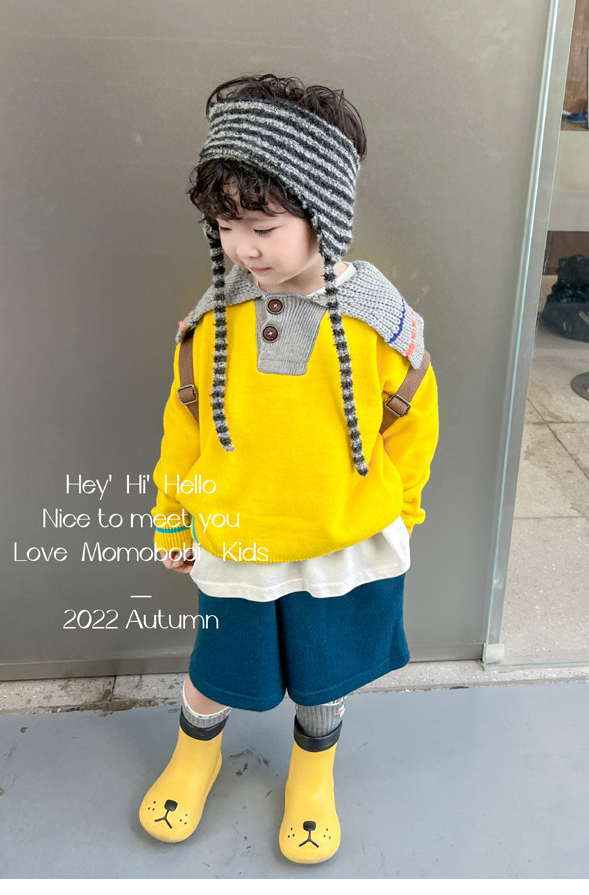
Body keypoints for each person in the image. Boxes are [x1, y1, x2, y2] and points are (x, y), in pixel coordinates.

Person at [138, 73, 439, 863]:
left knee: (323, 674)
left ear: (324, 212)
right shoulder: (214, 319)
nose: (243, 247)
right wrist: (172, 517)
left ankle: (313, 773)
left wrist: (402, 512)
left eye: (264, 225)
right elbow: (183, 426)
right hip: (236, 539)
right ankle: (195, 755)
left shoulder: (380, 323)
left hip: (340, 542)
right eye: (225, 224)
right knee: (217, 666)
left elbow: (413, 423)